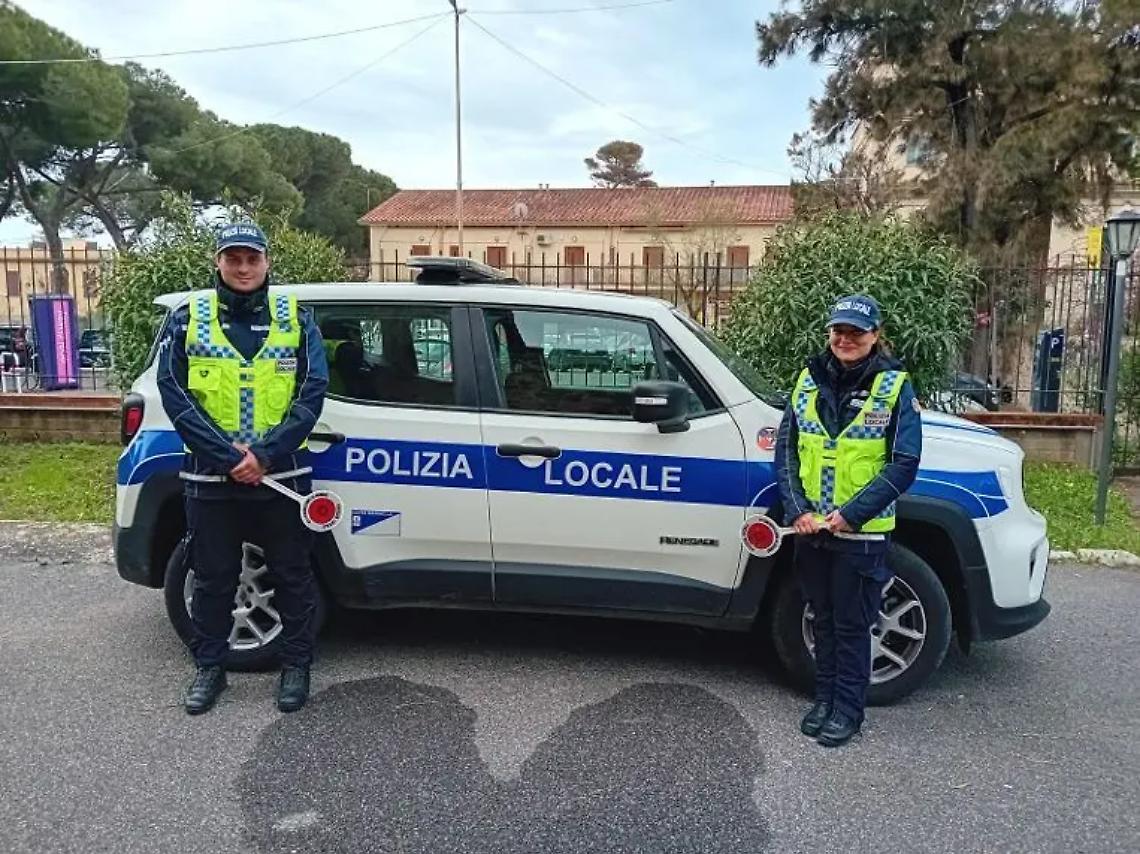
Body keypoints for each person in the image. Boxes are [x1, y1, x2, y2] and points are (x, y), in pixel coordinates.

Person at [157, 222, 329, 715]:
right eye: (233, 258)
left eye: (252, 258)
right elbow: (175, 393)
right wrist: (230, 458)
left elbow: (312, 391)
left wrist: (266, 455)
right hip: (210, 477)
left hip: (281, 475)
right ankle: (210, 668)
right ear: (218, 262)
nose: (243, 267)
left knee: (293, 575)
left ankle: (296, 667)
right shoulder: (190, 318)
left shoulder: (297, 318)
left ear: (266, 262)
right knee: (212, 579)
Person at [774, 293, 921, 747]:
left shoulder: (894, 387)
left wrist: (849, 516)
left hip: (861, 534)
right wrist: (797, 510)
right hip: (811, 530)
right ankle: (824, 700)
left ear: (875, 336)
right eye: (839, 331)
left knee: (853, 625)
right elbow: (785, 453)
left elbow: (903, 464)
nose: (845, 339)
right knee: (821, 618)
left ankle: (848, 710)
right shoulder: (807, 381)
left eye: (856, 332)